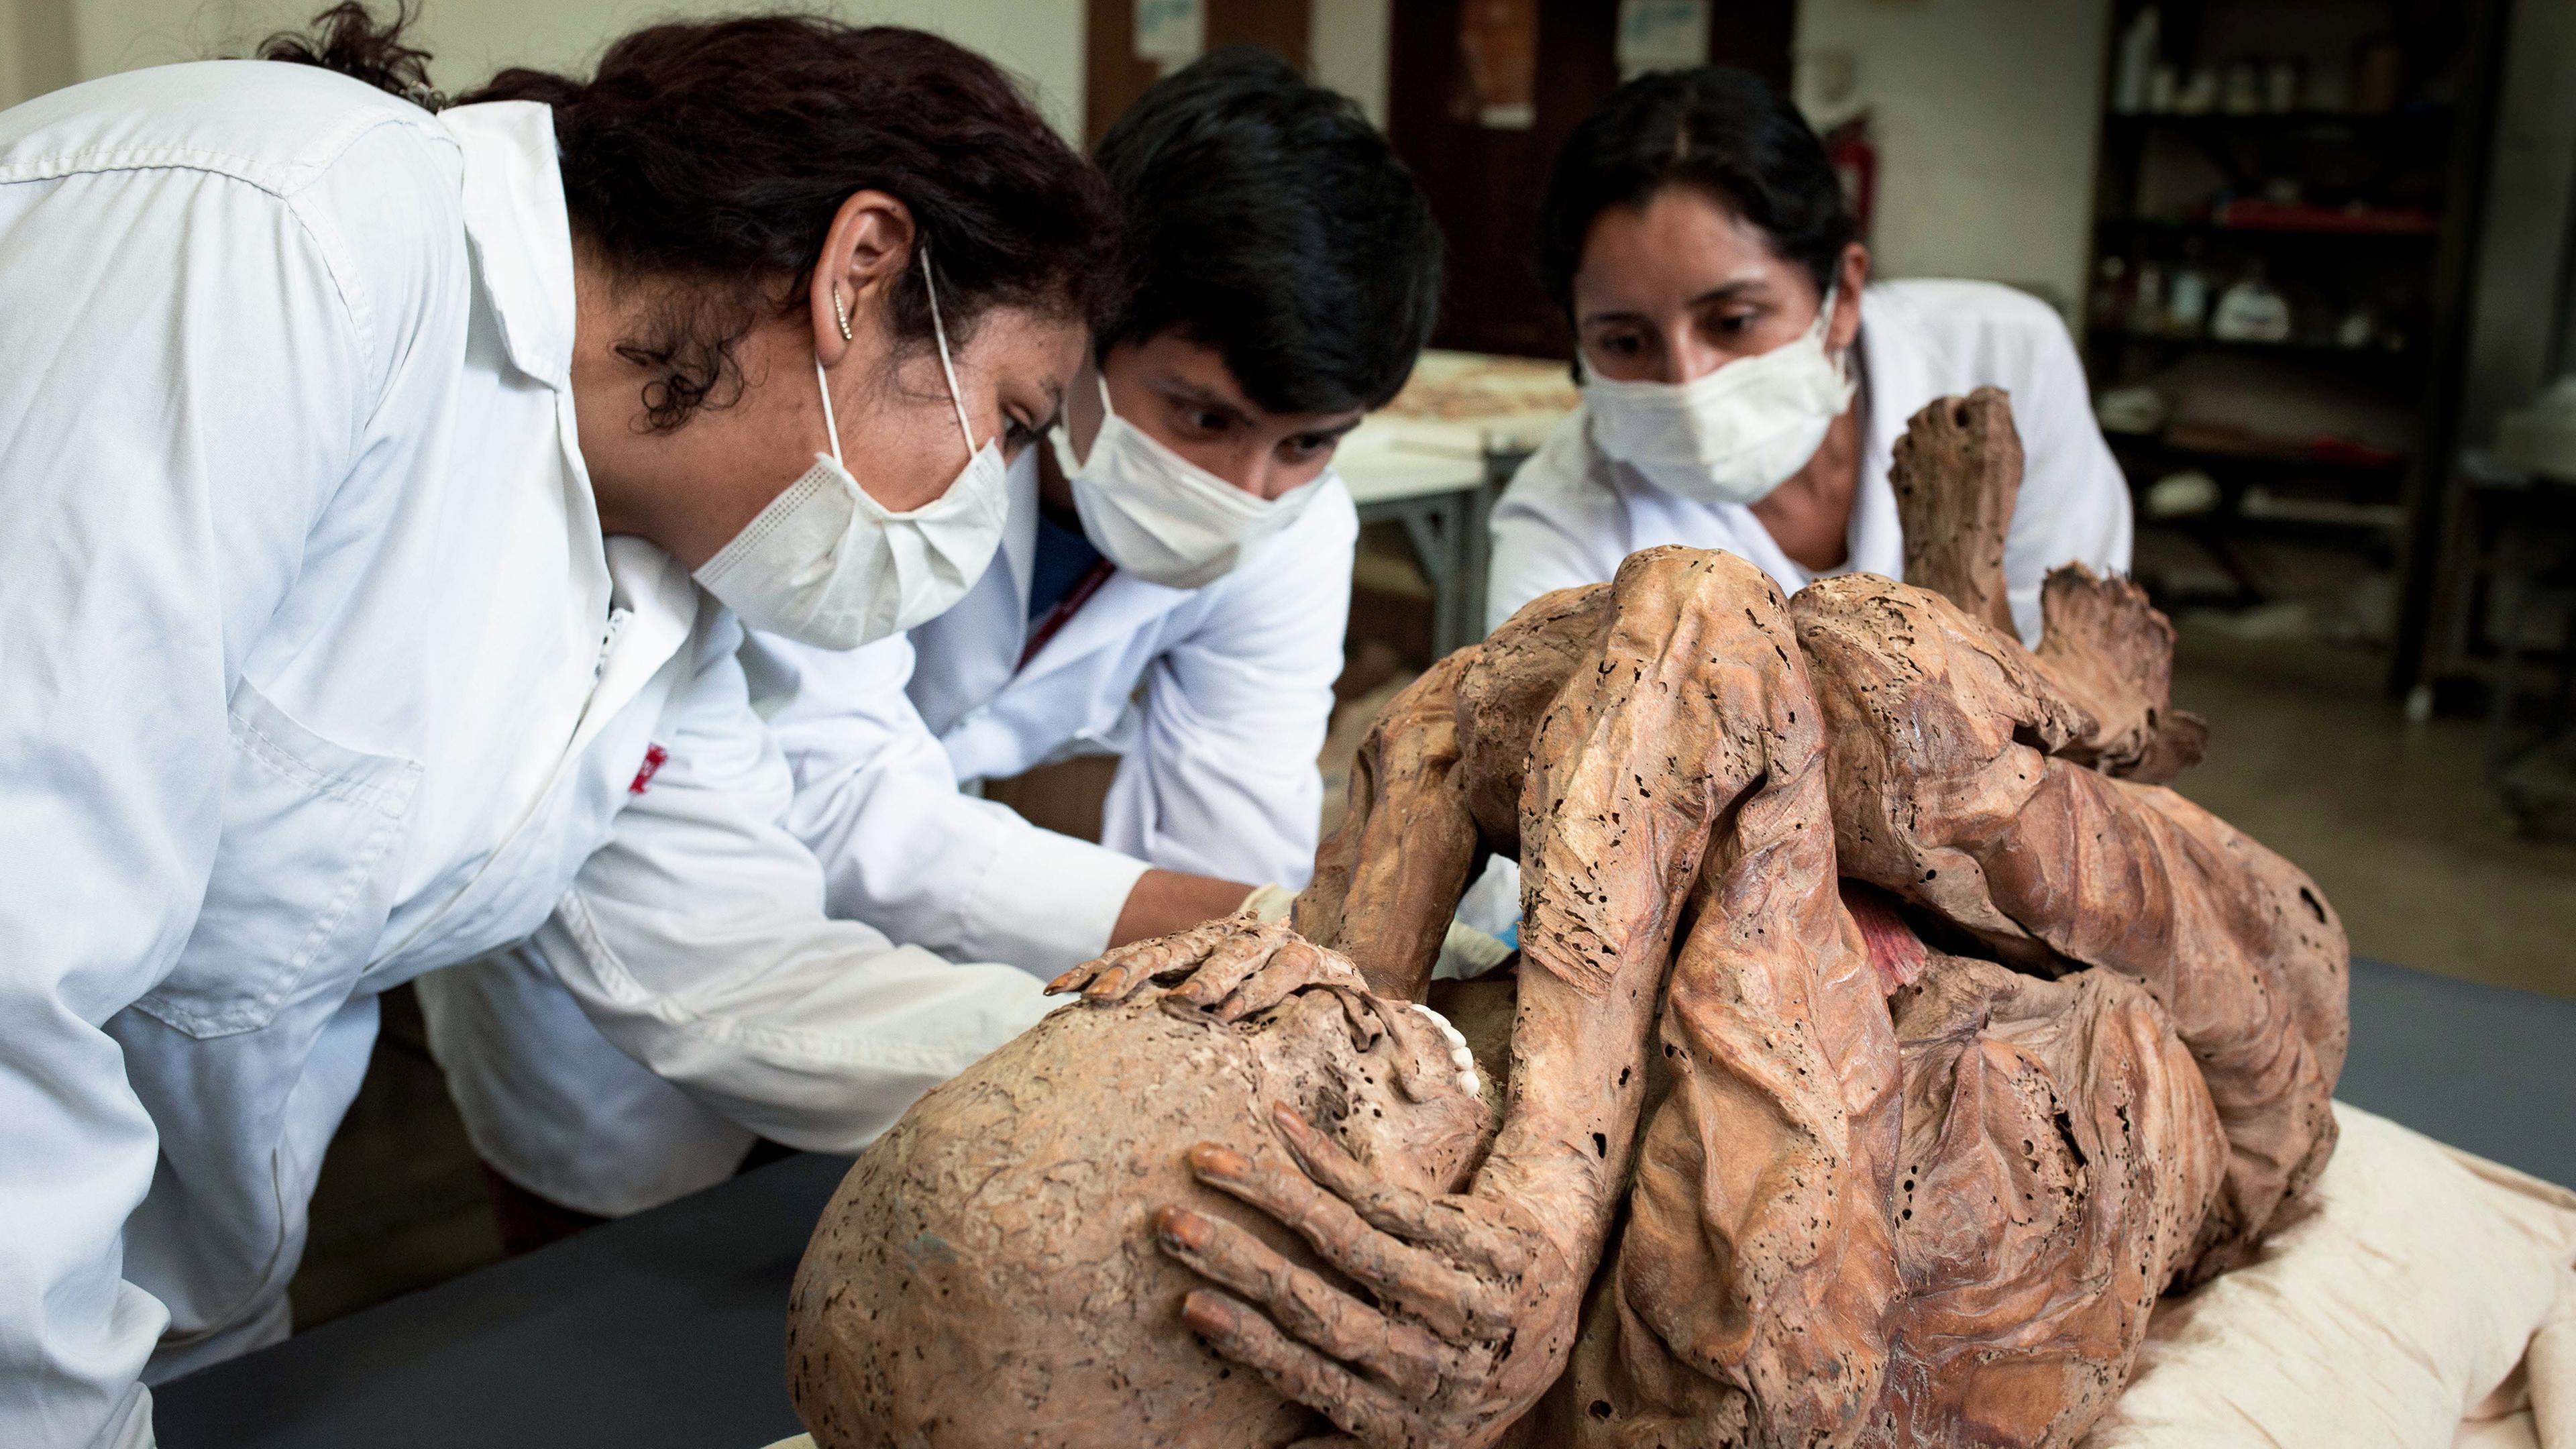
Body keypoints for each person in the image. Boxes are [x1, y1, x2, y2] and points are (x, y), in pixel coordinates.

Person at [0, 9, 1120, 1443]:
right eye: (1010, 422)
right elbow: (19, 948)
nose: (990, 491)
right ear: (861, 274)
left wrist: (1142, 1070)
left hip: (165, 1308)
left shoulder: (659, 575)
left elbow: (726, 965)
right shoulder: (289, 243)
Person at [415, 48, 1446, 1234]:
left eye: (1306, 445)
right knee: (622, 1284)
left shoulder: (1291, 531)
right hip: (649, 936)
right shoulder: (870, 449)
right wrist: (1234, 958)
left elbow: (1221, 842)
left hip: (830, 953)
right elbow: (840, 804)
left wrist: (1267, 949)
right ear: (1086, 323)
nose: (1244, 486)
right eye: (1201, 415)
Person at [1485, 66, 2131, 645]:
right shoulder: (1563, 522)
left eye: (1733, 322)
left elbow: (2071, 667)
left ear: (1843, 294)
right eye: (1625, 343)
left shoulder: (2003, 360)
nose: (1687, 383)